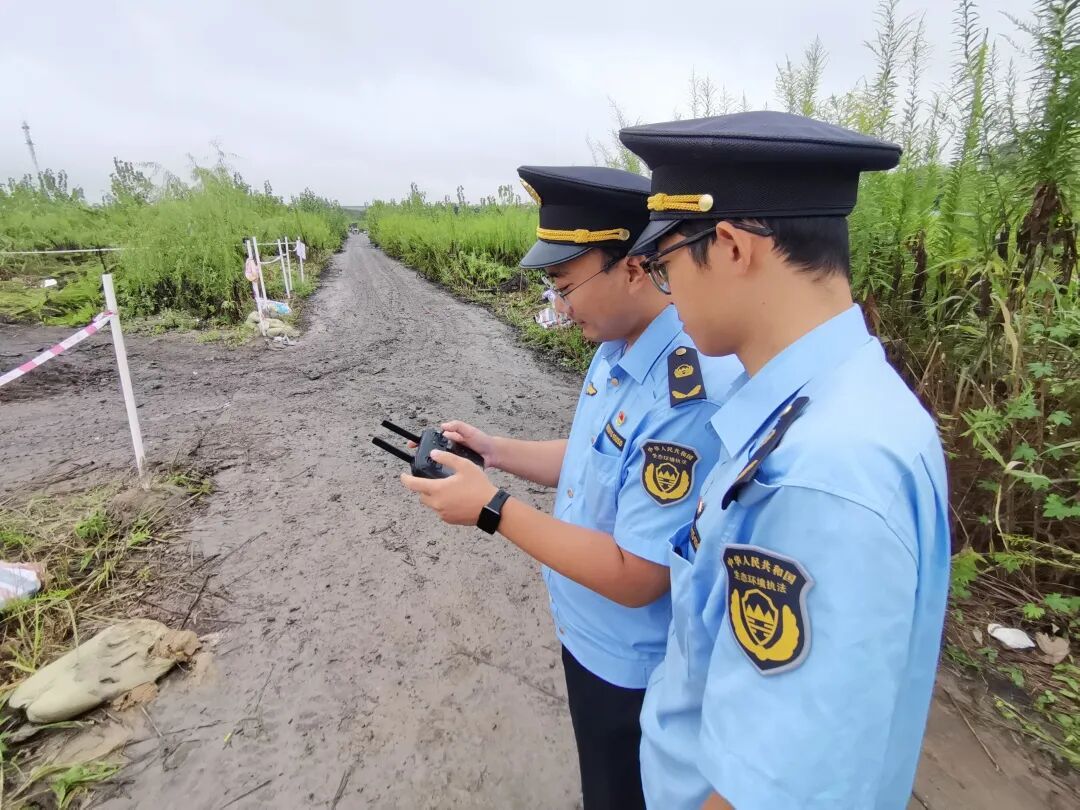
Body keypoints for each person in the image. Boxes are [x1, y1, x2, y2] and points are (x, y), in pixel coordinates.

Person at [613, 110, 951, 809]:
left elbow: (772, 791)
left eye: (667, 267)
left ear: (731, 246)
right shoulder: (826, 402)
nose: (669, 295)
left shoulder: (824, 473)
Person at [400, 165, 743, 810]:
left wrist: (492, 508)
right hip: (587, 633)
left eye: (565, 286)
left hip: (632, 662)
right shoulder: (617, 345)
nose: (559, 306)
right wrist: (494, 451)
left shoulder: (684, 396)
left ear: (634, 268)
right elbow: (593, 459)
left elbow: (639, 575)